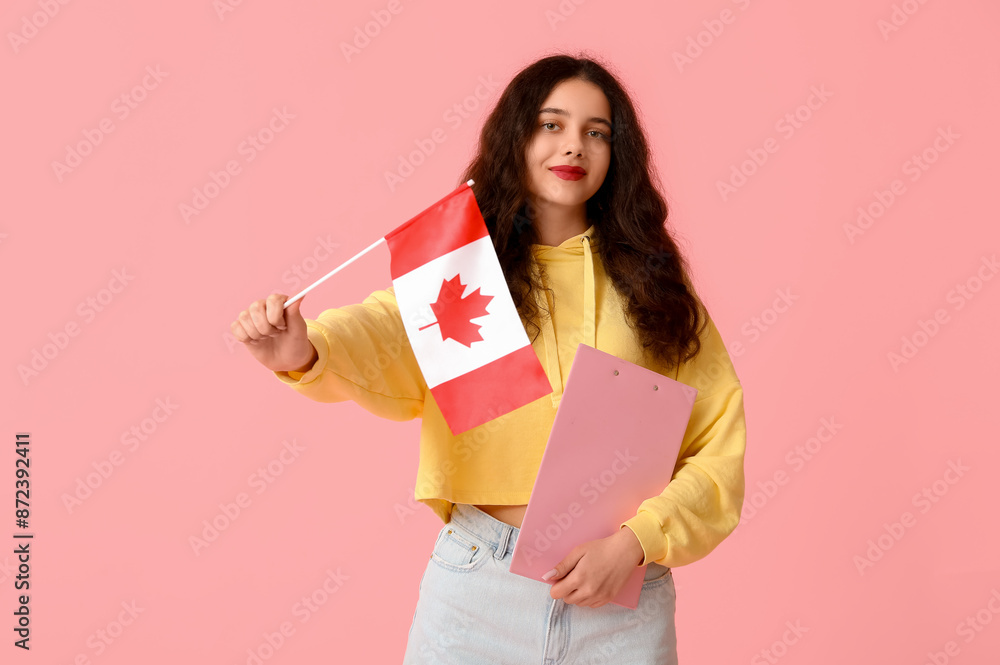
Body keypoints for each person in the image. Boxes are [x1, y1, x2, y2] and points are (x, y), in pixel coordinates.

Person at [230, 52, 746, 665]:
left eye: (596, 132)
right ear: (516, 137)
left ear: (618, 153)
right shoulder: (463, 267)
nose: (574, 146)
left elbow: (717, 445)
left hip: (623, 597)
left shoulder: (656, 284)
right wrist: (308, 348)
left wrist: (637, 542)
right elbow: (386, 331)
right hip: (477, 591)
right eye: (551, 124)